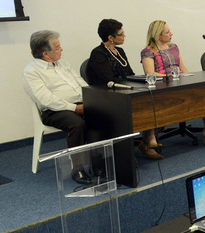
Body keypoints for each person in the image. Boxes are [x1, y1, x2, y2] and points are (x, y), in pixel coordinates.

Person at [22, 30, 92, 184]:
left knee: (109, 114)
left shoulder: (63, 64)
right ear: (45, 53)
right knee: (78, 124)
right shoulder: (31, 71)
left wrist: (91, 101)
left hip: (80, 104)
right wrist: (74, 108)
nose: (62, 49)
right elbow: (46, 100)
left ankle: (104, 161)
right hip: (54, 111)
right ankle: (78, 169)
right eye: (58, 48)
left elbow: (81, 83)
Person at [141, 20, 205, 154]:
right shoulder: (148, 51)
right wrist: (171, 76)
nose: (171, 34)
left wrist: (189, 78)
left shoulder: (173, 47)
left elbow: (182, 68)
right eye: (167, 32)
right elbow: (150, 73)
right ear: (158, 35)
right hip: (161, 86)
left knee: (202, 91)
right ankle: (151, 137)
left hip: (179, 82)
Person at [86, 19, 135, 85]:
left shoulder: (120, 51)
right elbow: (109, 79)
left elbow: (130, 74)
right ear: (111, 38)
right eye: (121, 34)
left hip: (125, 86)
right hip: (107, 90)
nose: (124, 35)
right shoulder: (98, 54)